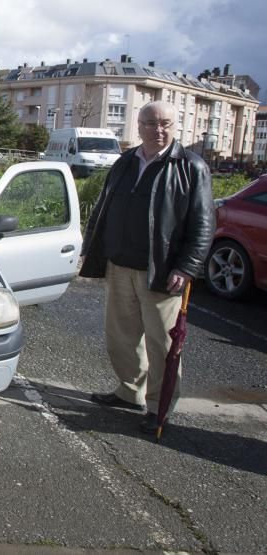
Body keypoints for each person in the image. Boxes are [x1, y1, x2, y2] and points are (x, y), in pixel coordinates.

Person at [80, 100, 214, 434]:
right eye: (152, 124)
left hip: (163, 272)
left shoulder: (190, 166)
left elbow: (204, 224)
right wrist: (90, 249)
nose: (159, 130)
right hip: (120, 265)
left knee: (163, 346)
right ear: (138, 127)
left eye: (166, 123)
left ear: (174, 125)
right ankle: (129, 392)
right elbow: (103, 207)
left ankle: (159, 406)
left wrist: (187, 267)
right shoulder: (125, 161)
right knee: (121, 339)